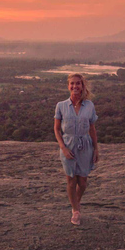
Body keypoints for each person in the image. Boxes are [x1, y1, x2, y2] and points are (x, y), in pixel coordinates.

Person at [54, 73, 99, 225]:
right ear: (68, 86)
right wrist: (63, 148)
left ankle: (75, 203)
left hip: (85, 145)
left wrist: (96, 148)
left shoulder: (89, 106)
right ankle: (76, 211)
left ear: (82, 86)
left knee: (83, 182)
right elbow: (56, 129)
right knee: (71, 181)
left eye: (78, 83)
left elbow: (92, 128)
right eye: (72, 83)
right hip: (68, 145)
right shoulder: (61, 106)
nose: (75, 86)